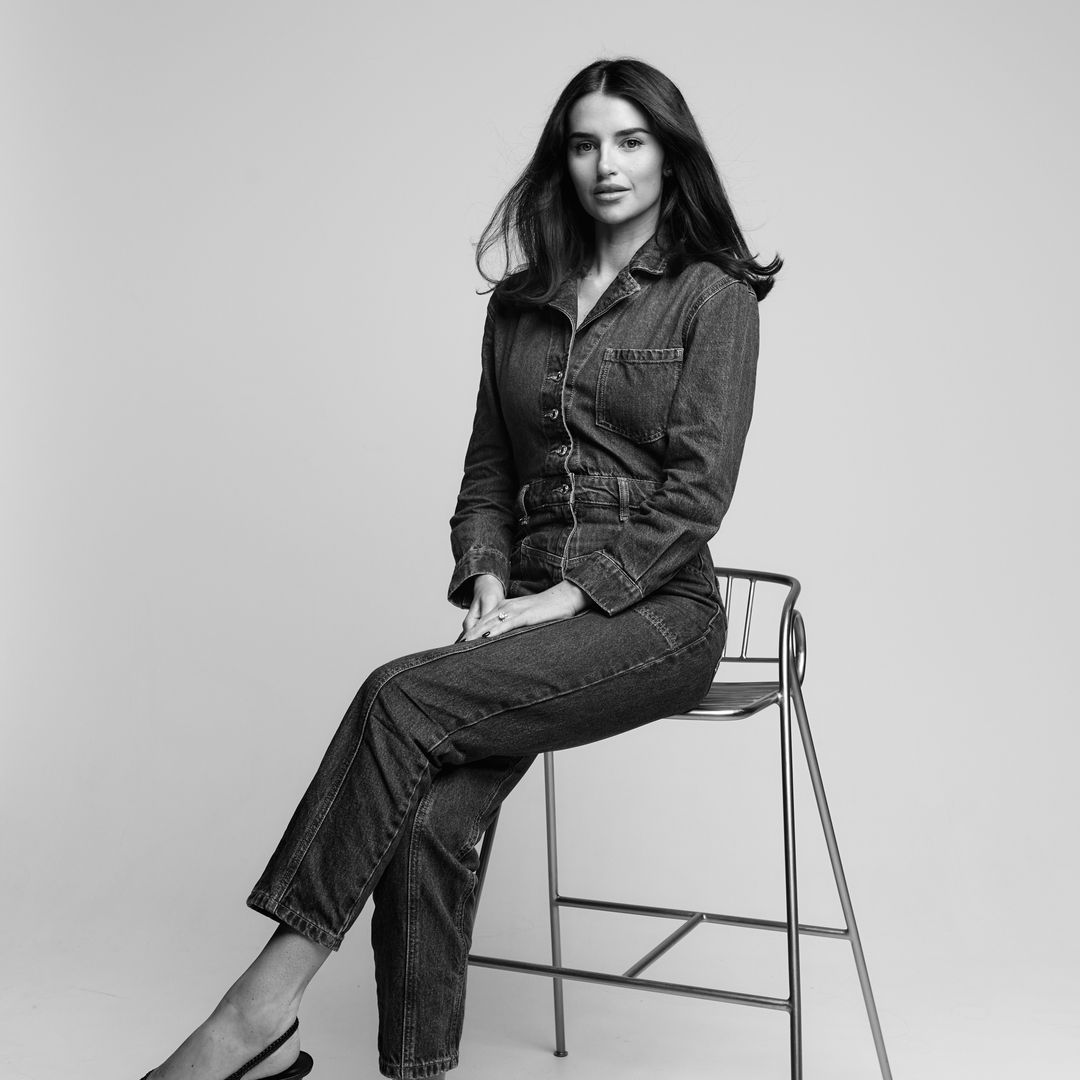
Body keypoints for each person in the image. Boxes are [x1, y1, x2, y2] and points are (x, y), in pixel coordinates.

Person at [138, 56, 780, 1080]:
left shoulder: (713, 295)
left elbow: (696, 495)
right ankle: (414, 1070)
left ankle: (250, 1017)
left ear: (670, 155)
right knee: (431, 812)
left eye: (631, 141)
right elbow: (489, 472)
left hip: (657, 611)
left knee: (398, 698)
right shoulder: (522, 305)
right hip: (525, 602)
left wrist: (567, 595)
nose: (608, 165)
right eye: (585, 144)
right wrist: (487, 579)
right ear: (562, 161)